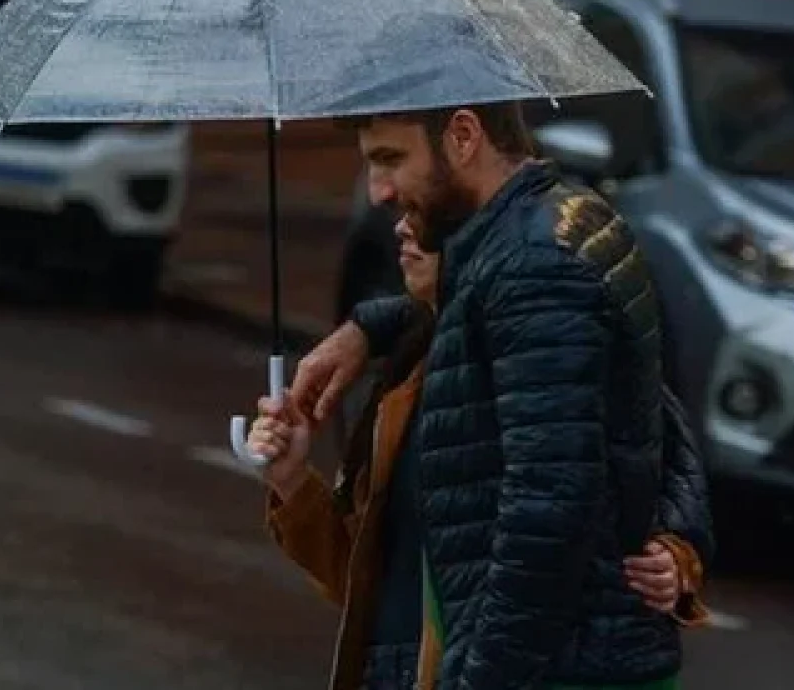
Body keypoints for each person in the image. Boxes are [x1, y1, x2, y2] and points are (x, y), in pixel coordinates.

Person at [289, 100, 695, 689]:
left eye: (391, 159)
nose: (379, 191)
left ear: (462, 135)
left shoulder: (537, 266)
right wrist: (370, 327)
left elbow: (546, 515)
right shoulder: (535, 236)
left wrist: (479, 679)